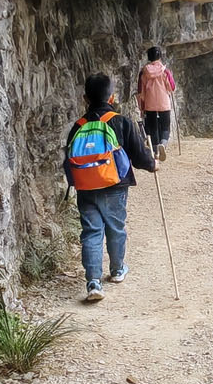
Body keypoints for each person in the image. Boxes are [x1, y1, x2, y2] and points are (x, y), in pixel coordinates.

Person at [63, 73, 157, 303]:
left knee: (91, 232)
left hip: (86, 188)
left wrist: (75, 183)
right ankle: (116, 270)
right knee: (116, 227)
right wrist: (152, 165)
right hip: (114, 185)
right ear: (112, 97)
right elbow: (137, 154)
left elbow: (68, 159)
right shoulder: (120, 121)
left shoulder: (78, 126)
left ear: (85, 98)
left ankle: (93, 282)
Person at [137, 46, 177, 161]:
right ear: (159, 57)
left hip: (150, 104)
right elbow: (172, 87)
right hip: (164, 103)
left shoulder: (143, 73)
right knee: (165, 127)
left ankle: (155, 153)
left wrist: (142, 106)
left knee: (152, 128)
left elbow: (141, 91)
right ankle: (163, 145)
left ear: (149, 57)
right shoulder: (165, 71)